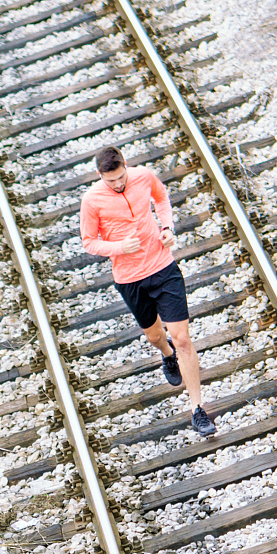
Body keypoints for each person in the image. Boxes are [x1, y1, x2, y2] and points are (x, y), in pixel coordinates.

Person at [79, 145, 216, 438]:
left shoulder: (144, 176)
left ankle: (198, 410)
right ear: (99, 175)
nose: (117, 185)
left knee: (182, 338)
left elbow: (162, 199)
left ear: (126, 165)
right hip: (129, 279)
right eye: (110, 181)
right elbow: (89, 242)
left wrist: (167, 227)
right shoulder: (91, 200)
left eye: (120, 178)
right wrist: (118, 248)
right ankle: (165, 353)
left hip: (163, 268)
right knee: (155, 336)